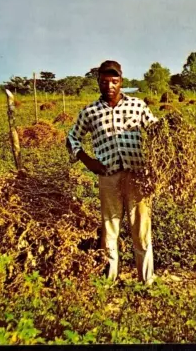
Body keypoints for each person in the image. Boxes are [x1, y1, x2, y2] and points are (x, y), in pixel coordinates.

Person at [66, 60, 158, 285]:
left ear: (121, 82)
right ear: (98, 82)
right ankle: (109, 279)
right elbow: (71, 138)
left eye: (114, 81)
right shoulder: (90, 112)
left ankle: (146, 281)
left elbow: (156, 130)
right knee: (110, 227)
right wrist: (88, 161)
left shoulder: (137, 106)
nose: (110, 86)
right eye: (105, 82)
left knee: (141, 228)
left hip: (137, 175)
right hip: (108, 176)